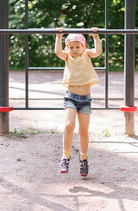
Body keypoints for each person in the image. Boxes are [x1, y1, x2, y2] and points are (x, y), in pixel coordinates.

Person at [55, 27, 103, 177]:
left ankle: (83, 159)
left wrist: (96, 37)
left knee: (83, 131)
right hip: (71, 97)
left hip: (85, 99)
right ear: (67, 48)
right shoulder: (67, 57)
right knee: (69, 125)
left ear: (83, 46)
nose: (74, 50)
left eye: (77, 46)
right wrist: (58, 37)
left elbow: (98, 51)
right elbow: (58, 52)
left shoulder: (87, 54)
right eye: (71, 47)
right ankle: (65, 157)